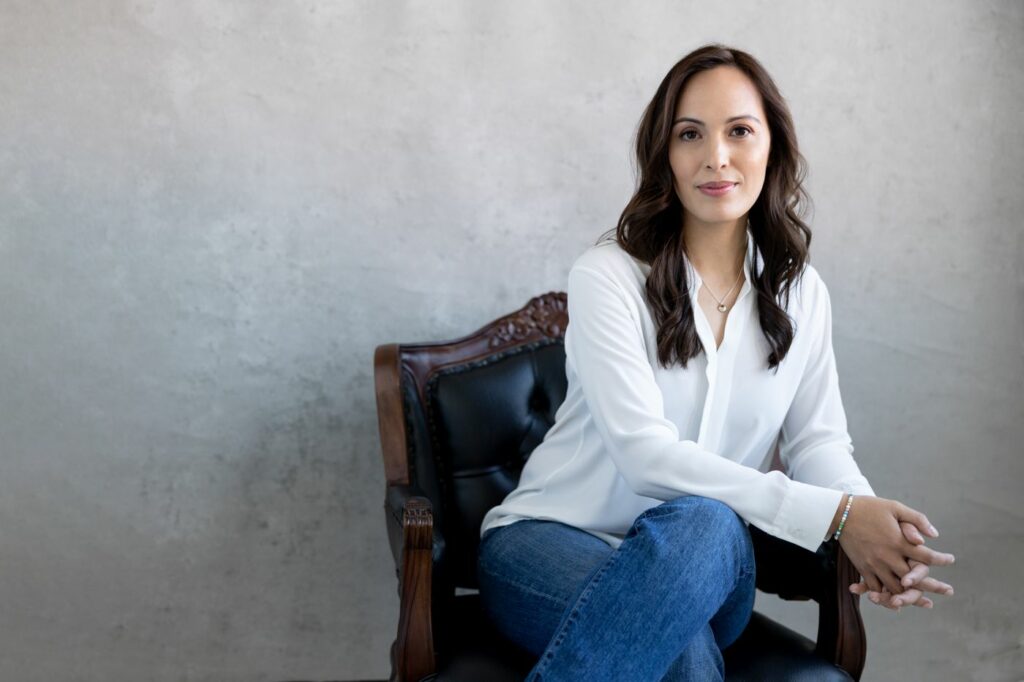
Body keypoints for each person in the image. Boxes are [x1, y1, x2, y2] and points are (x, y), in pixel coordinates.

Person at [476, 43, 956, 681]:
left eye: (739, 131)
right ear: (665, 156)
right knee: (684, 651)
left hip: (712, 561)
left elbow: (818, 442)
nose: (716, 157)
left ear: (772, 148)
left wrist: (869, 528)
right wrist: (833, 517)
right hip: (548, 542)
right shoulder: (609, 278)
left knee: (705, 524)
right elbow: (646, 457)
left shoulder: (801, 293)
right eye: (690, 134)